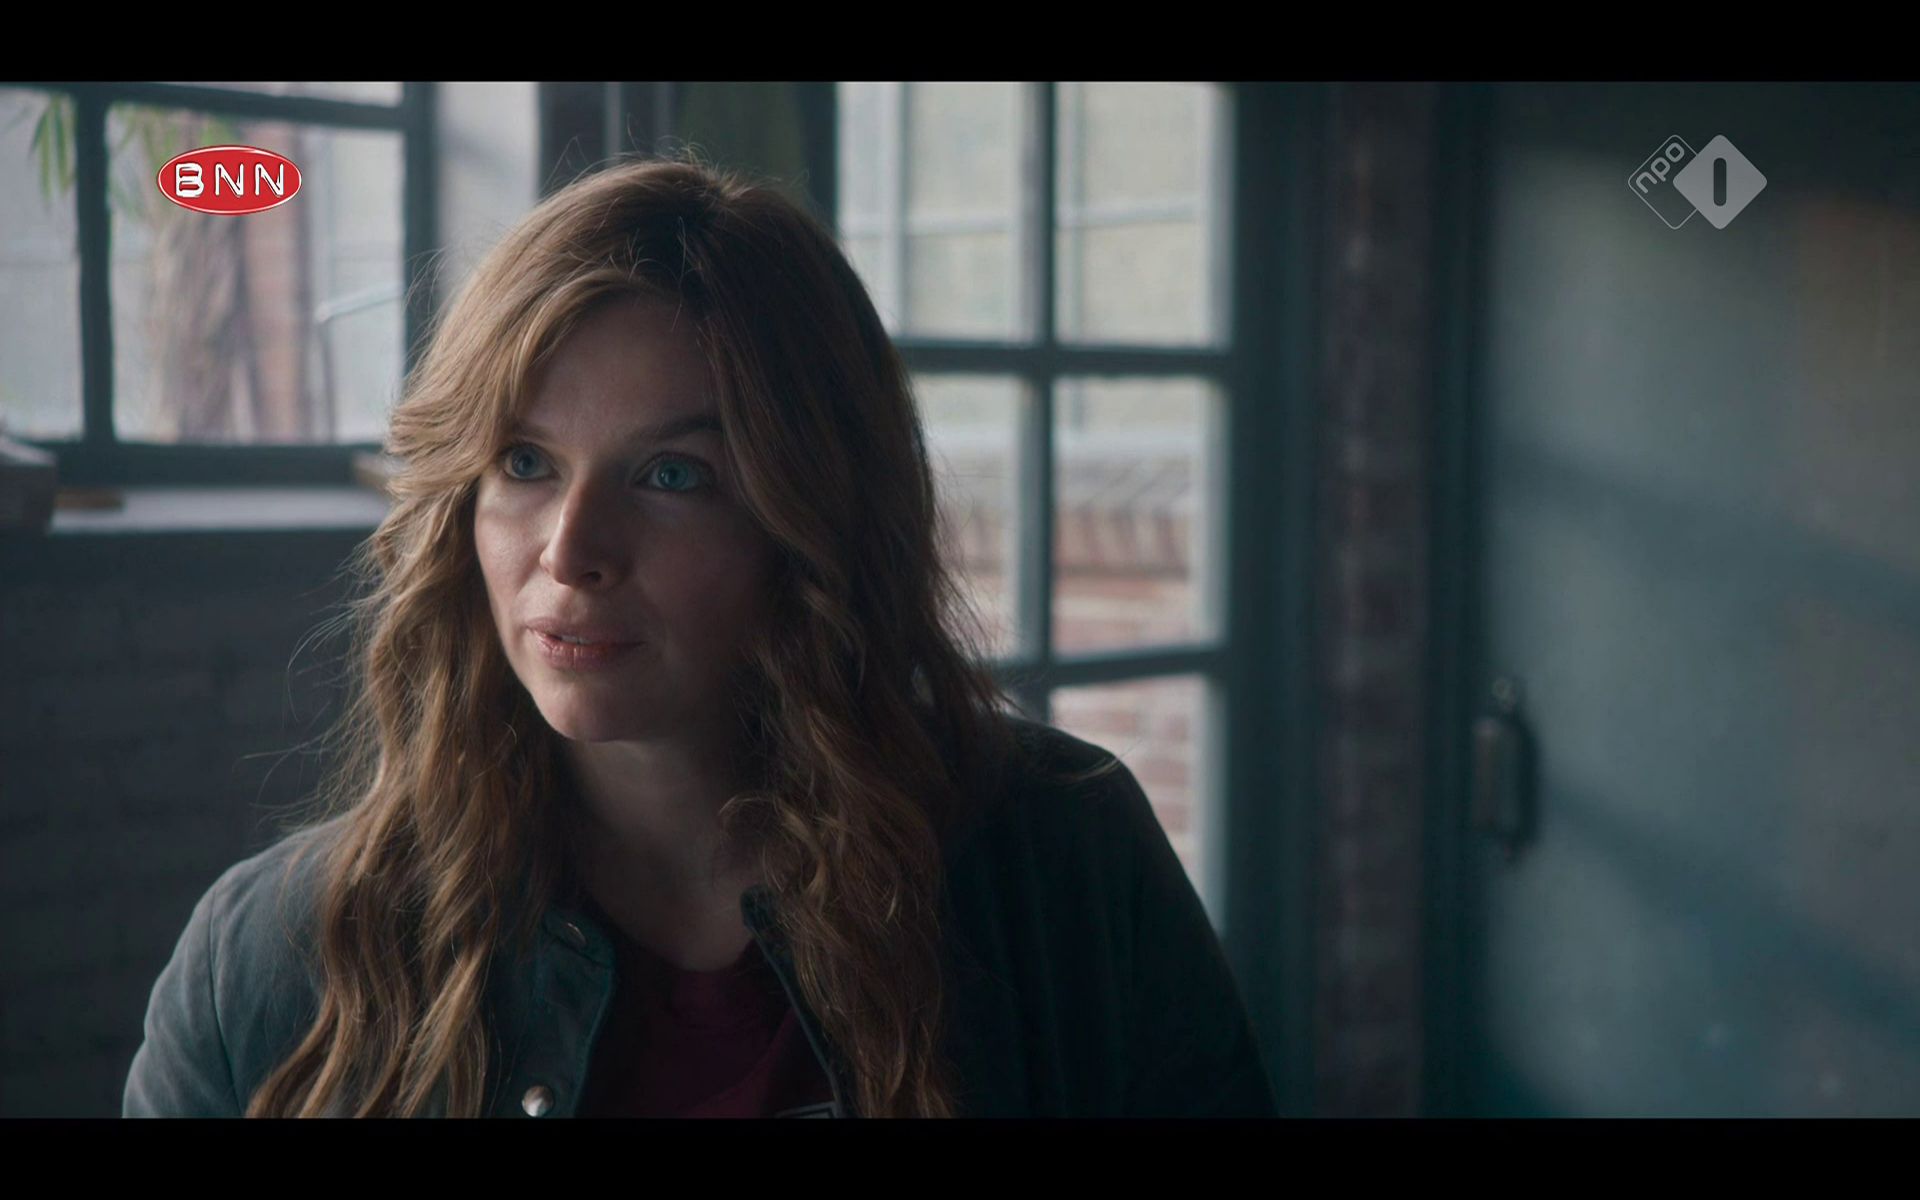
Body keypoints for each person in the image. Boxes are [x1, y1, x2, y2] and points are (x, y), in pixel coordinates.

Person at [121, 157, 1276, 1119]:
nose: (572, 551)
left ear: (810, 516)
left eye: (672, 474)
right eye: (523, 463)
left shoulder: (1064, 868)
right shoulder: (266, 970)